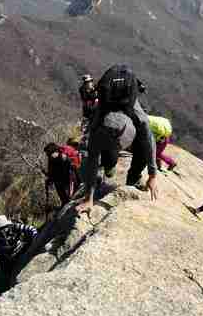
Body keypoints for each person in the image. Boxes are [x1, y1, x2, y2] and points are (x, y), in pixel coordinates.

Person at [76, 64, 158, 212]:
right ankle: (109, 164)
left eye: (121, 145)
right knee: (109, 162)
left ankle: (133, 178)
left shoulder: (138, 117)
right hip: (108, 125)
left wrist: (152, 175)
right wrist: (89, 199)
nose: (122, 148)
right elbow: (92, 161)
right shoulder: (97, 126)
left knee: (142, 147)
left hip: (128, 119)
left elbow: (150, 142)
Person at [44, 142, 82, 207]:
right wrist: (49, 178)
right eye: (47, 154)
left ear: (55, 152)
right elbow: (51, 171)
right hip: (63, 175)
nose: (48, 156)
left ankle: (70, 198)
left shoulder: (64, 156)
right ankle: (64, 201)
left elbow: (73, 168)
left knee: (64, 180)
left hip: (71, 174)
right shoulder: (52, 159)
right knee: (57, 182)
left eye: (48, 154)